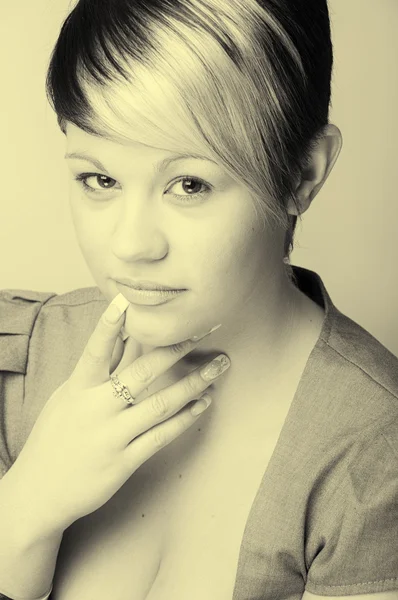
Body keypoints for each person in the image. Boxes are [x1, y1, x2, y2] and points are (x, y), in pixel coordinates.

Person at [0, 0, 397, 599]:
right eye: (99, 180)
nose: (131, 246)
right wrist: (24, 513)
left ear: (302, 176)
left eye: (190, 184)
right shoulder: (19, 363)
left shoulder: (369, 461)